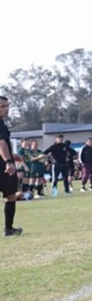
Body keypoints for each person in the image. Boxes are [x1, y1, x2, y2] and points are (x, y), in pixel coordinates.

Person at [0, 96, 23, 236]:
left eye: (7, 106)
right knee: (11, 196)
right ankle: (8, 229)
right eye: (2, 106)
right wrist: (8, 161)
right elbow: (1, 144)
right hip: (3, 166)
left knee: (10, 195)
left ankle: (9, 229)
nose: (6, 109)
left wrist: (12, 155)